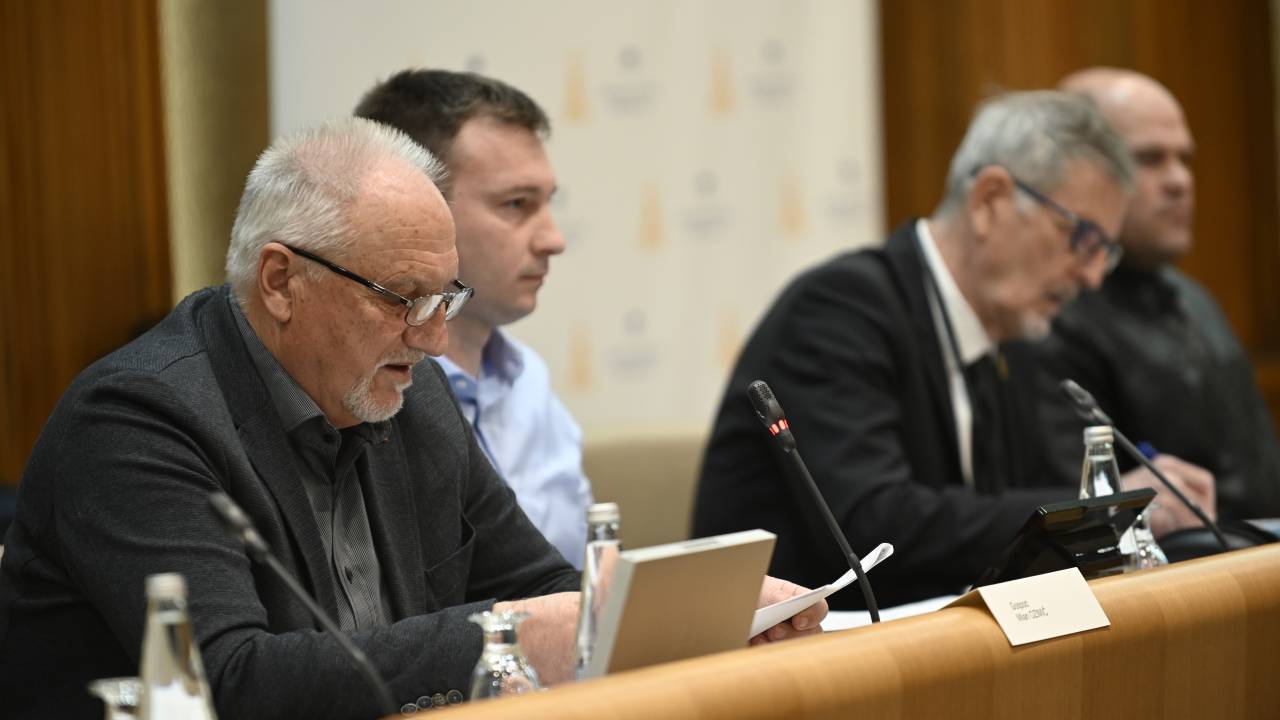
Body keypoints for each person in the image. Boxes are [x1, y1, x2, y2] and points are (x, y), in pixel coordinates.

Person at [0, 118, 823, 720]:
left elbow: (539, 590)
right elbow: (231, 684)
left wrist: (701, 617)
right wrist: (504, 633)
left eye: (445, 299)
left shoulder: (406, 389)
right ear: (281, 282)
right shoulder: (139, 422)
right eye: (402, 299)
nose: (432, 338)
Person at [694, 91, 1217, 609]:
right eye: (1082, 238)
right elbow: (873, 525)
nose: (1093, 276)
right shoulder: (840, 309)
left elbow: (1007, 512)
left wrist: (1111, 511)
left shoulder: (1013, 337)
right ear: (990, 201)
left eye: (1106, 251)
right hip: (792, 650)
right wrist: (1096, 508)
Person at [354, 70, 593, 566]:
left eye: (547, 203)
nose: (553, 239)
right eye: (516, 204)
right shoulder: (364, 395)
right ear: (414, 206)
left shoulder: (527, 379)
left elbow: (583, 574)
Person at [1033, 68, 1280, 522]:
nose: (1179, 180)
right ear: (1073, 170)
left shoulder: (1195, 299)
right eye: (1149, 159)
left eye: (1184, 159)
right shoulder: (1047, 315)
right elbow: (1076, 508)